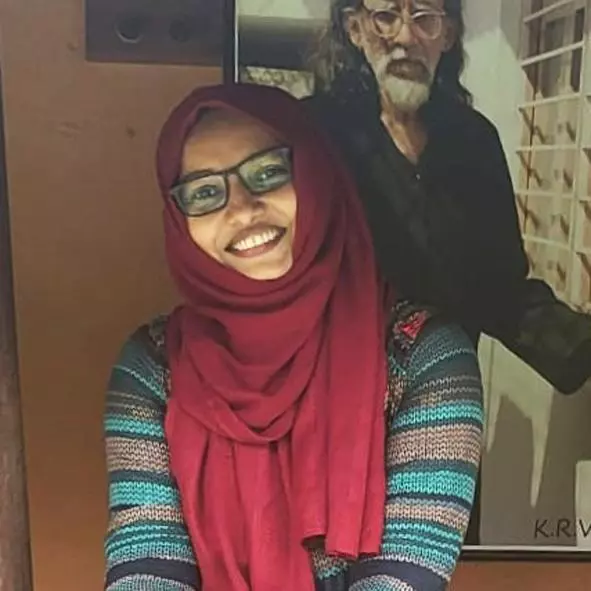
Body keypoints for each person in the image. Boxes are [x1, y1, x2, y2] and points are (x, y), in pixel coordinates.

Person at [103, 83, 483, 591]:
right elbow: (148, 557)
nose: (242, 210)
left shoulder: (425, 357)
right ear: (179, 220)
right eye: (204, 193)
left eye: (267, 172)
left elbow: (404, 577)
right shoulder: (153, 367)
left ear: (317, 175)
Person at [307, 0, 591, 396]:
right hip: (335, 390)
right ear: (355, 29)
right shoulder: (312, 132)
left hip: (443, 395)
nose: (406, 37)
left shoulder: (475, 141)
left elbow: (501, 286)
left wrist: (579, 346)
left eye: (425, 18)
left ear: (448, 35)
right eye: (386, 17)